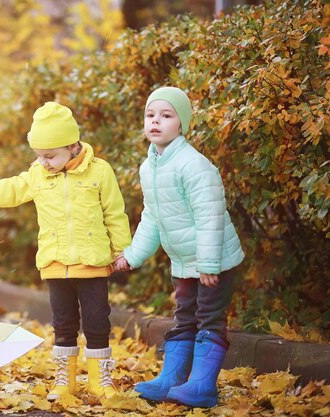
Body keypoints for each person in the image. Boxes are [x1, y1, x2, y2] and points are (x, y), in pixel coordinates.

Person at [0, 101, 131, 401]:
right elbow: (3, 191)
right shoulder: (37, 176)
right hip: (55, 263)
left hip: (92, 263)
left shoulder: (99, 172)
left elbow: (114, 213)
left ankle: (99, 380)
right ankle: (64, 381)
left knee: (97, 321)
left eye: (50, 156)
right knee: (63, 324)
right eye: (39, 156)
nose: (44, 162)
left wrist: (123, 251)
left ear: (72, 145)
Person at [115, 87, 245, 408]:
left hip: (215, 261)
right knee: (184, 317)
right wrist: (132, 255)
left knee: (209, 317)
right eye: (150, 115)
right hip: (184, 261)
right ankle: (171, 380)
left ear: (181, 125)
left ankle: (202, 386)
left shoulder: (194, 165)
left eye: (166, 115)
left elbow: (210, 215)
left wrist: (209, 263)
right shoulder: (150, 168)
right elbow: (152, 218)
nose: (156, 121)